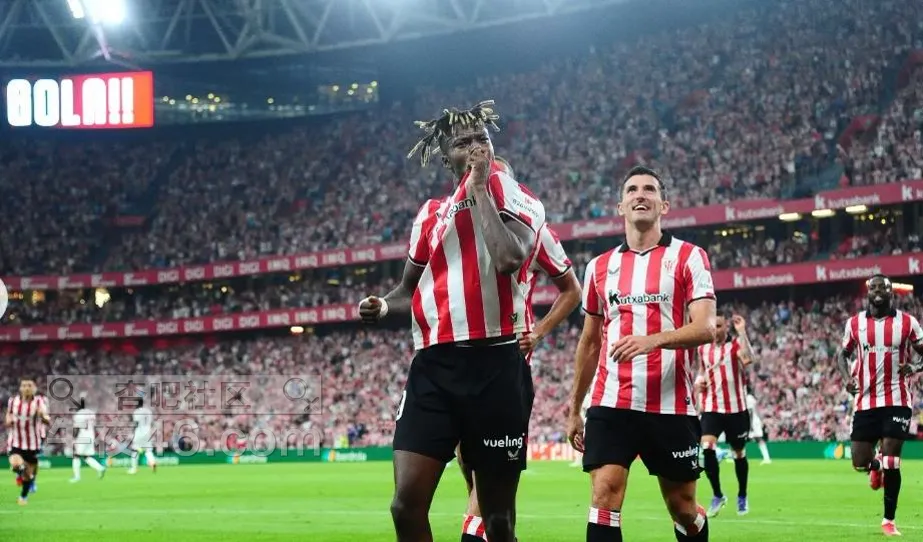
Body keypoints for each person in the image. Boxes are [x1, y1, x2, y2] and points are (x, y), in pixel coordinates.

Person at [360, 100, 545, 542]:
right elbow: (407, 290)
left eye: (482, 139)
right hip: (434, 367)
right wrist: (382, 306)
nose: (476, 147)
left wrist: (479, 188)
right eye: (464, 143)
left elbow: (508, 257)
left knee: (498, 520)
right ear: (447, 159)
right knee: (405, 505)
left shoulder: (519, 196)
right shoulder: (429, 214)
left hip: (496, 365)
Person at [567, 165, 717, 542]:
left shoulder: (689, 257)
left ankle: (695, 524)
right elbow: (589, 342)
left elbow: (705, 327)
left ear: (663, 205)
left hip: (670, 404)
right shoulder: (599, 267)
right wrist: (574, 409)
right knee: (604, 495)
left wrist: (652, 341)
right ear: (621, 206)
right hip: (611, 401)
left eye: (649, 189)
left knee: (683, 507)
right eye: (632, 189)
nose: (640, 194)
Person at [458, 156, 582, 542]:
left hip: (504, 366)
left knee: (487, 486)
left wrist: (539, 331)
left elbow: (572, 290)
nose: (488, 182)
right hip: (456, 364)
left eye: (495, 177)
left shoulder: (534, 231)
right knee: (479, 480)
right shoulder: (456, 227)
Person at [837, 274, 923, 537]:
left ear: (890, 292)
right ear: (868, 292)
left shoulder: (907, 322)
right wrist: (846, 378)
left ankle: (888, 520)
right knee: (859, 461)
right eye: (872, 287)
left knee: (892, 460)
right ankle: (875, 467)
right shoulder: (855, 324)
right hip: (865, 401)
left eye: (882, 287)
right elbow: (842, 354)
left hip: (897, 400)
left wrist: (915, 366)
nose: (877, 291)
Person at [694, 314, 754, 517]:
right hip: (712, 408)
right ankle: (718, 495)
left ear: (726, 327)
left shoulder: (735, 346)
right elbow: (701, 371)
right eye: (713, 326)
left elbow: (748, 359)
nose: (715, 329)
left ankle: (742, 495)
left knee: (739, 453)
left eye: (719, 326)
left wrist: (742, 332)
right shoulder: (703, 349)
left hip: (736, 409)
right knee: (707, 446)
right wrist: (699, 382)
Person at [5, 379, 49, 505]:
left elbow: (47, 419)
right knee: (15, 463)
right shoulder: (13, 401)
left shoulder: (40, 401)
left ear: (34, 388)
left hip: (33, 443)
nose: (27, 388)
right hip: (16, 442)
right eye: (24, 385)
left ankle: (23, 496)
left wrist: (42, 416)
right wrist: (8, 421)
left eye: (29, 385)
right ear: (20, 388)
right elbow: (8, 415)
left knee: (29, 474)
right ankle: (20, 473)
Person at [70, 397, 106, 482]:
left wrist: (74, 439)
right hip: (91, 436)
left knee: (76, 455)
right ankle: (100, 468)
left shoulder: (78, 414)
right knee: (87, 456)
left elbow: (77, 428)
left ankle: (77, 477)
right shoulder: (91, 413)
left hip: (82, 436)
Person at [129, 399, 158, 474]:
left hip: (139, 432)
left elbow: (136, 423)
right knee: (148, 450)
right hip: (148, 432)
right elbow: (151, 422)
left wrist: (132, 432)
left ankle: (134, 468)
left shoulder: (136, 412)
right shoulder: (148, 411)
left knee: (134, 450)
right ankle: (152, 462)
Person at [745, 389, 771, 465]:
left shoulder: (748, 398)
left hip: (753, 422)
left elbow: (750, 412)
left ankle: (767, 458)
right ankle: (766, 458)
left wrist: (750, 425)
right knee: (743, 438)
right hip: (752, 421)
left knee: (758, 438)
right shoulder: (749, 397)